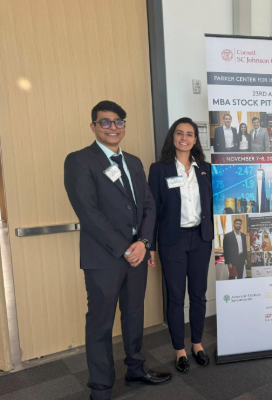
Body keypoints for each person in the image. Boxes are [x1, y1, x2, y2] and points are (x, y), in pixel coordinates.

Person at [64, 101, 171, 400]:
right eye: (105, 122)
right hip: (104, 259)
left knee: (134, 315)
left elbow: (148, 206)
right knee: (100, 324)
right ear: (94, 127)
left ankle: (136, 369)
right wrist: (127, 248)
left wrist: (145, 244)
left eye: (118, 122)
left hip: (137, 256)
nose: (113, 127)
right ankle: (101, 387)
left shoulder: (134, 162)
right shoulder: (80, 160)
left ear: (124, 125)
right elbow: (89, 213)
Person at [148, 117, 213, 373]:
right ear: (173, 137)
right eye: (179, 133)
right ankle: (180, 350)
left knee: (198, 295)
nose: (184, 138)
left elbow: (211, 205)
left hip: (200, 239)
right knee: (176, 297)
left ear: (195, 139)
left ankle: (197, 344)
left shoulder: (205, 168)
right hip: (172, 241)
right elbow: (151, 210)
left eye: (189, 134)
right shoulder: (159, 169)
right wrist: (150, 243)